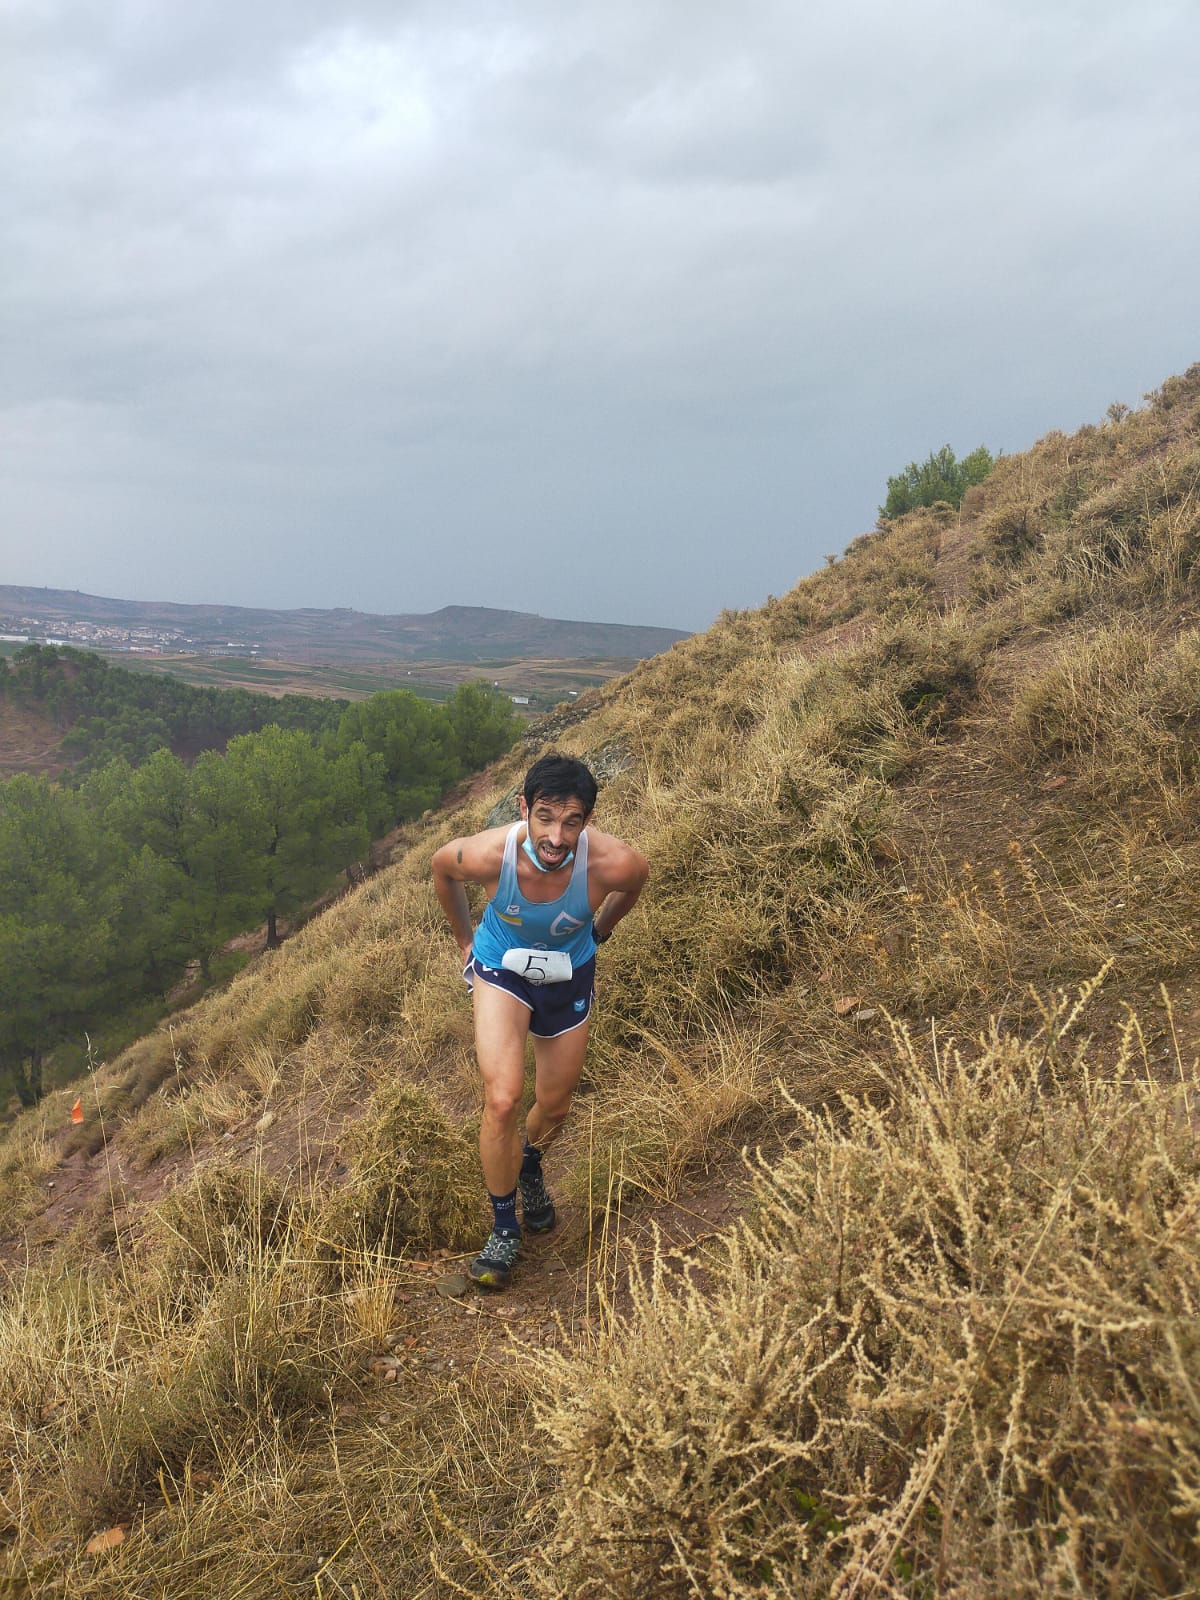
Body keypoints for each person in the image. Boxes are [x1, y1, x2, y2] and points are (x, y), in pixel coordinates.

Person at [431, 753, 649, 1289]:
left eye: (572, 822)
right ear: (524, 808)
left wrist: (599, 933)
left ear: (588, 821)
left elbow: (634, 886)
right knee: (503, 1098)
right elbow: (441, 868)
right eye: (546, 816)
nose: (556, 835)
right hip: (502, 971)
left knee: (554, 1106)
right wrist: (464, 941)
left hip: (568, 976)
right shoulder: (488, 855)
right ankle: (505, 1228)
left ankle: (528, 1163)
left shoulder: (614, 864)